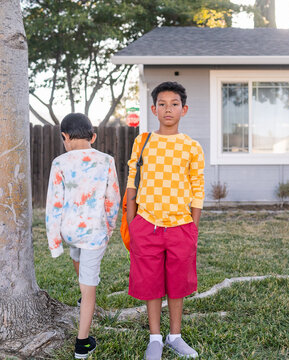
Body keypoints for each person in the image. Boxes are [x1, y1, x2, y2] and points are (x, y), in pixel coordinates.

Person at [126, 81, 205, 360]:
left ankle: (175, 336)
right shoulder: (143, 141)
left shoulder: (191, 147)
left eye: (174, 104)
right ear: (153, 109)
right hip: (147, 224)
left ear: (184, 110)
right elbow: (132, 182)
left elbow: (197, 188)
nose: (168, 109)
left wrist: (192, 226)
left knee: (177, 282)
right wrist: (133, 221)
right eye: (162, 104)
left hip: (181, 226)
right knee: (150, 282)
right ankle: (155, 339)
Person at [45, 113, 121, 359]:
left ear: (64, 137)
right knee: (90, 289)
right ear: (94, 136)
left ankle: (82, 296)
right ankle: (83, 344)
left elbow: (53, 205)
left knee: (76, 256)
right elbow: (113, 200)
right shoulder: (106, 161)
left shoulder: (59, 162)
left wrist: (55, 243)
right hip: (93, 233)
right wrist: (109, 228)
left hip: (70, 231)